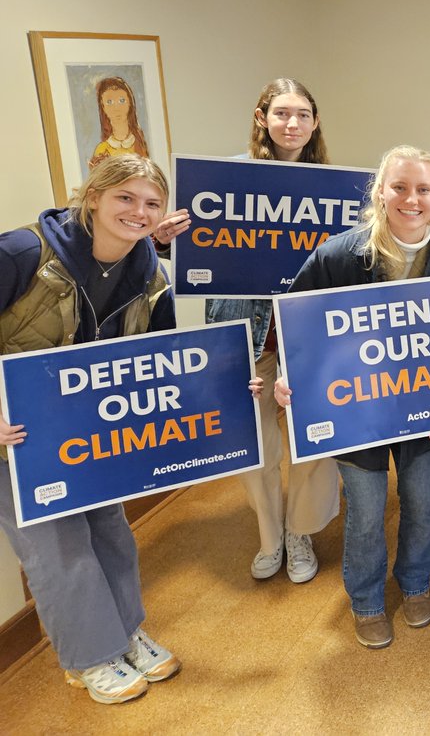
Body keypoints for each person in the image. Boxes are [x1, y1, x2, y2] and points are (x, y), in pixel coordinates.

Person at [0, 155, 250, 705]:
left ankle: (123, 633)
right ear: (92, 197)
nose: (139, 213)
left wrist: (227, 391)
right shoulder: (21, 253)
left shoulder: (146, 270)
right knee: (57, 546)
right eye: (125, 199)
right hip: (17, 439)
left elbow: (162, 358)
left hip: (90, 432)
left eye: (151, 203)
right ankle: (90, 656)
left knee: (111, 531)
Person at [274, 145, 430, 650]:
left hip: (424, 407)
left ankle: (415, 584)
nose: (411, 199)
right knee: (365, 512)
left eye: (423, 189)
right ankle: (366, 601)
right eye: (400, 187)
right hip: (357, 408)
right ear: (380, 192)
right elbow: (296, 325)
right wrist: (286, 374)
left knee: (421, 502)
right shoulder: (338, 254)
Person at [205, 78, 340, 584]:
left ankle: (301, 531)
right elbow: (202, 252)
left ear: (315, 122)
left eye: (303, 114)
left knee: (313, 440)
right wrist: (169, 239)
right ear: (262, 117)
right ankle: (270, 535)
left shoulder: (335, 187)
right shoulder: (225, 181)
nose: (293, 124)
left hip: (309, 336)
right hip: (247, 332)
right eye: (282, 113)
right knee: (256, 444)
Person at [88, 76, 150, 170]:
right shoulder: (102, 150)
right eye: (109, 102)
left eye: (122, 100)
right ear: (103, 108)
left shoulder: (140, 143)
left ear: (130, 103)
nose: (116, 108)